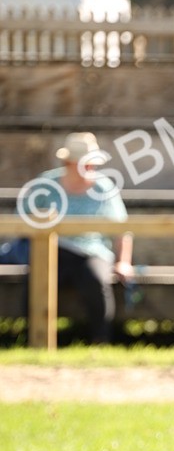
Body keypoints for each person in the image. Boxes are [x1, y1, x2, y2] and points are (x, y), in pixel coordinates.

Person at [19, 132, 133, 342]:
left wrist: (123, 262)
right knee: (36, 279)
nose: (90, 168)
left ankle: (101, 342)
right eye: (85, 163)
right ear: (69, 162)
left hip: (91, 251)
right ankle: (33, 339)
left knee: (96, 280)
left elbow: (121, 229)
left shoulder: (104, 186)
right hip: (53, 250)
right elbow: (24, 220)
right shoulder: (47, 184)